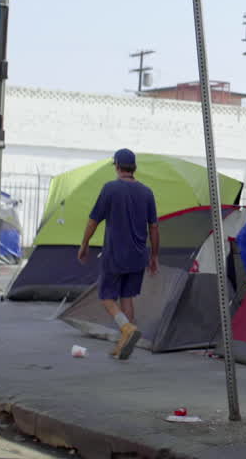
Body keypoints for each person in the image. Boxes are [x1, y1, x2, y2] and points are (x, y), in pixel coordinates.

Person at [77, 149, 159, 360]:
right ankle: (124, 345)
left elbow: (93, 220)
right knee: (127, 297)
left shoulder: (110, 189)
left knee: (106, 296)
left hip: (115, 254)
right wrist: (154, 256)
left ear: (117, 166)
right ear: (134, 168)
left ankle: (126, 329)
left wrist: (84, 243)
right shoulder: (147, 192)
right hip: (139, 255)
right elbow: (154, 228)